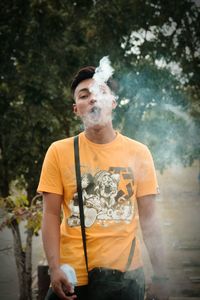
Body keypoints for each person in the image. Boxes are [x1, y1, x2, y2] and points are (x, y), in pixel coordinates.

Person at [37, 65, 169, 300]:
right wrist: (54, 269)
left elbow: (150, 220)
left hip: (126, 278)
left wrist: (160, 277)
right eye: (84, 96)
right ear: (76, 109)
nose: (92, 99)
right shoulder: (59, 152)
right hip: (72, 278)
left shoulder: (139, 152)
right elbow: (50, 216)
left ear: (113, 102)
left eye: (100, 92)